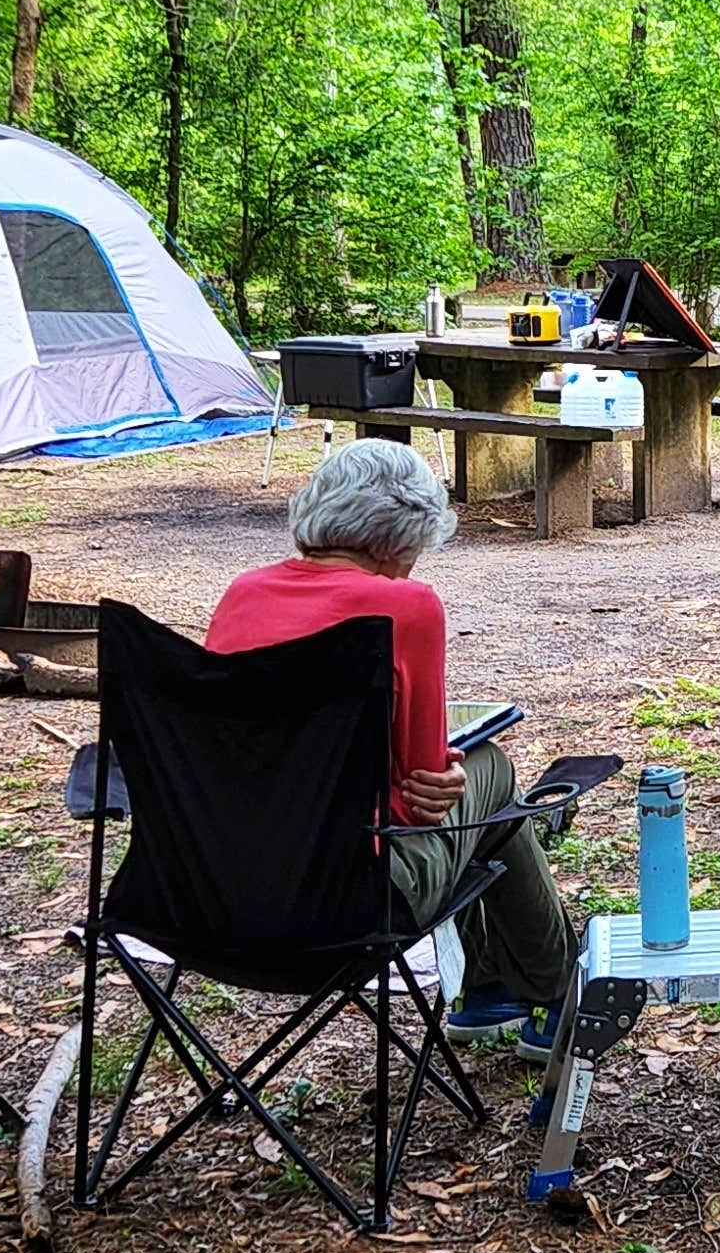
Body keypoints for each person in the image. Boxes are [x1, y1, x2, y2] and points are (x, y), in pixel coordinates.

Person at [209, 439, 572, 1054]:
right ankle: (556, 989)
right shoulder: (404, 607)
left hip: (214, 892)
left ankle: (491, 990)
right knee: (489, 766)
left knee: (468, 795)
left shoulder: (243, 595)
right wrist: (438, 780)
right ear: (394, 540)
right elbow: (417, 805)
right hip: (354, 899)